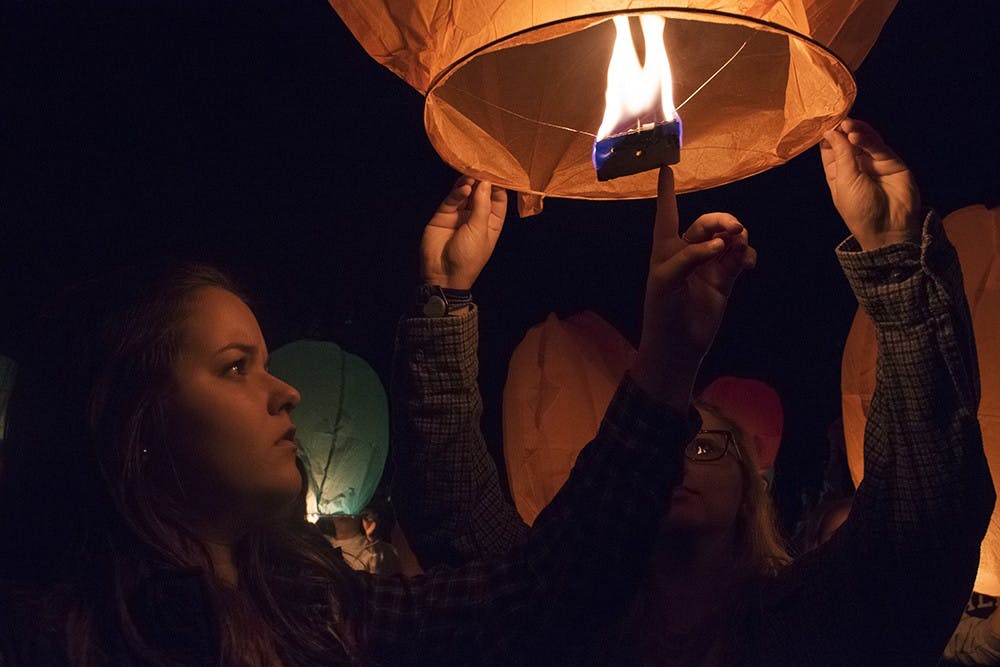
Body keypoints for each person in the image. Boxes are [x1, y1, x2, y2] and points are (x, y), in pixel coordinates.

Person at [0, 163, 754, 663]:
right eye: (236, 367)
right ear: (134, 426)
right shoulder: (54, 638)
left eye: (266, 360)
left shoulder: (320, 611)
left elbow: (538, 589)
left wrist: (667, 356)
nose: (285, 389)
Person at [391, 118, 995, 665]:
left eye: (706, 448)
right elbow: (453, 513)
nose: (677, 460)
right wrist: (444, 288)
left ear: (748, 491)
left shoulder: (811, 623)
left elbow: (923, 520)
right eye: (668, 444)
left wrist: (895, 258)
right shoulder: (559, 608)